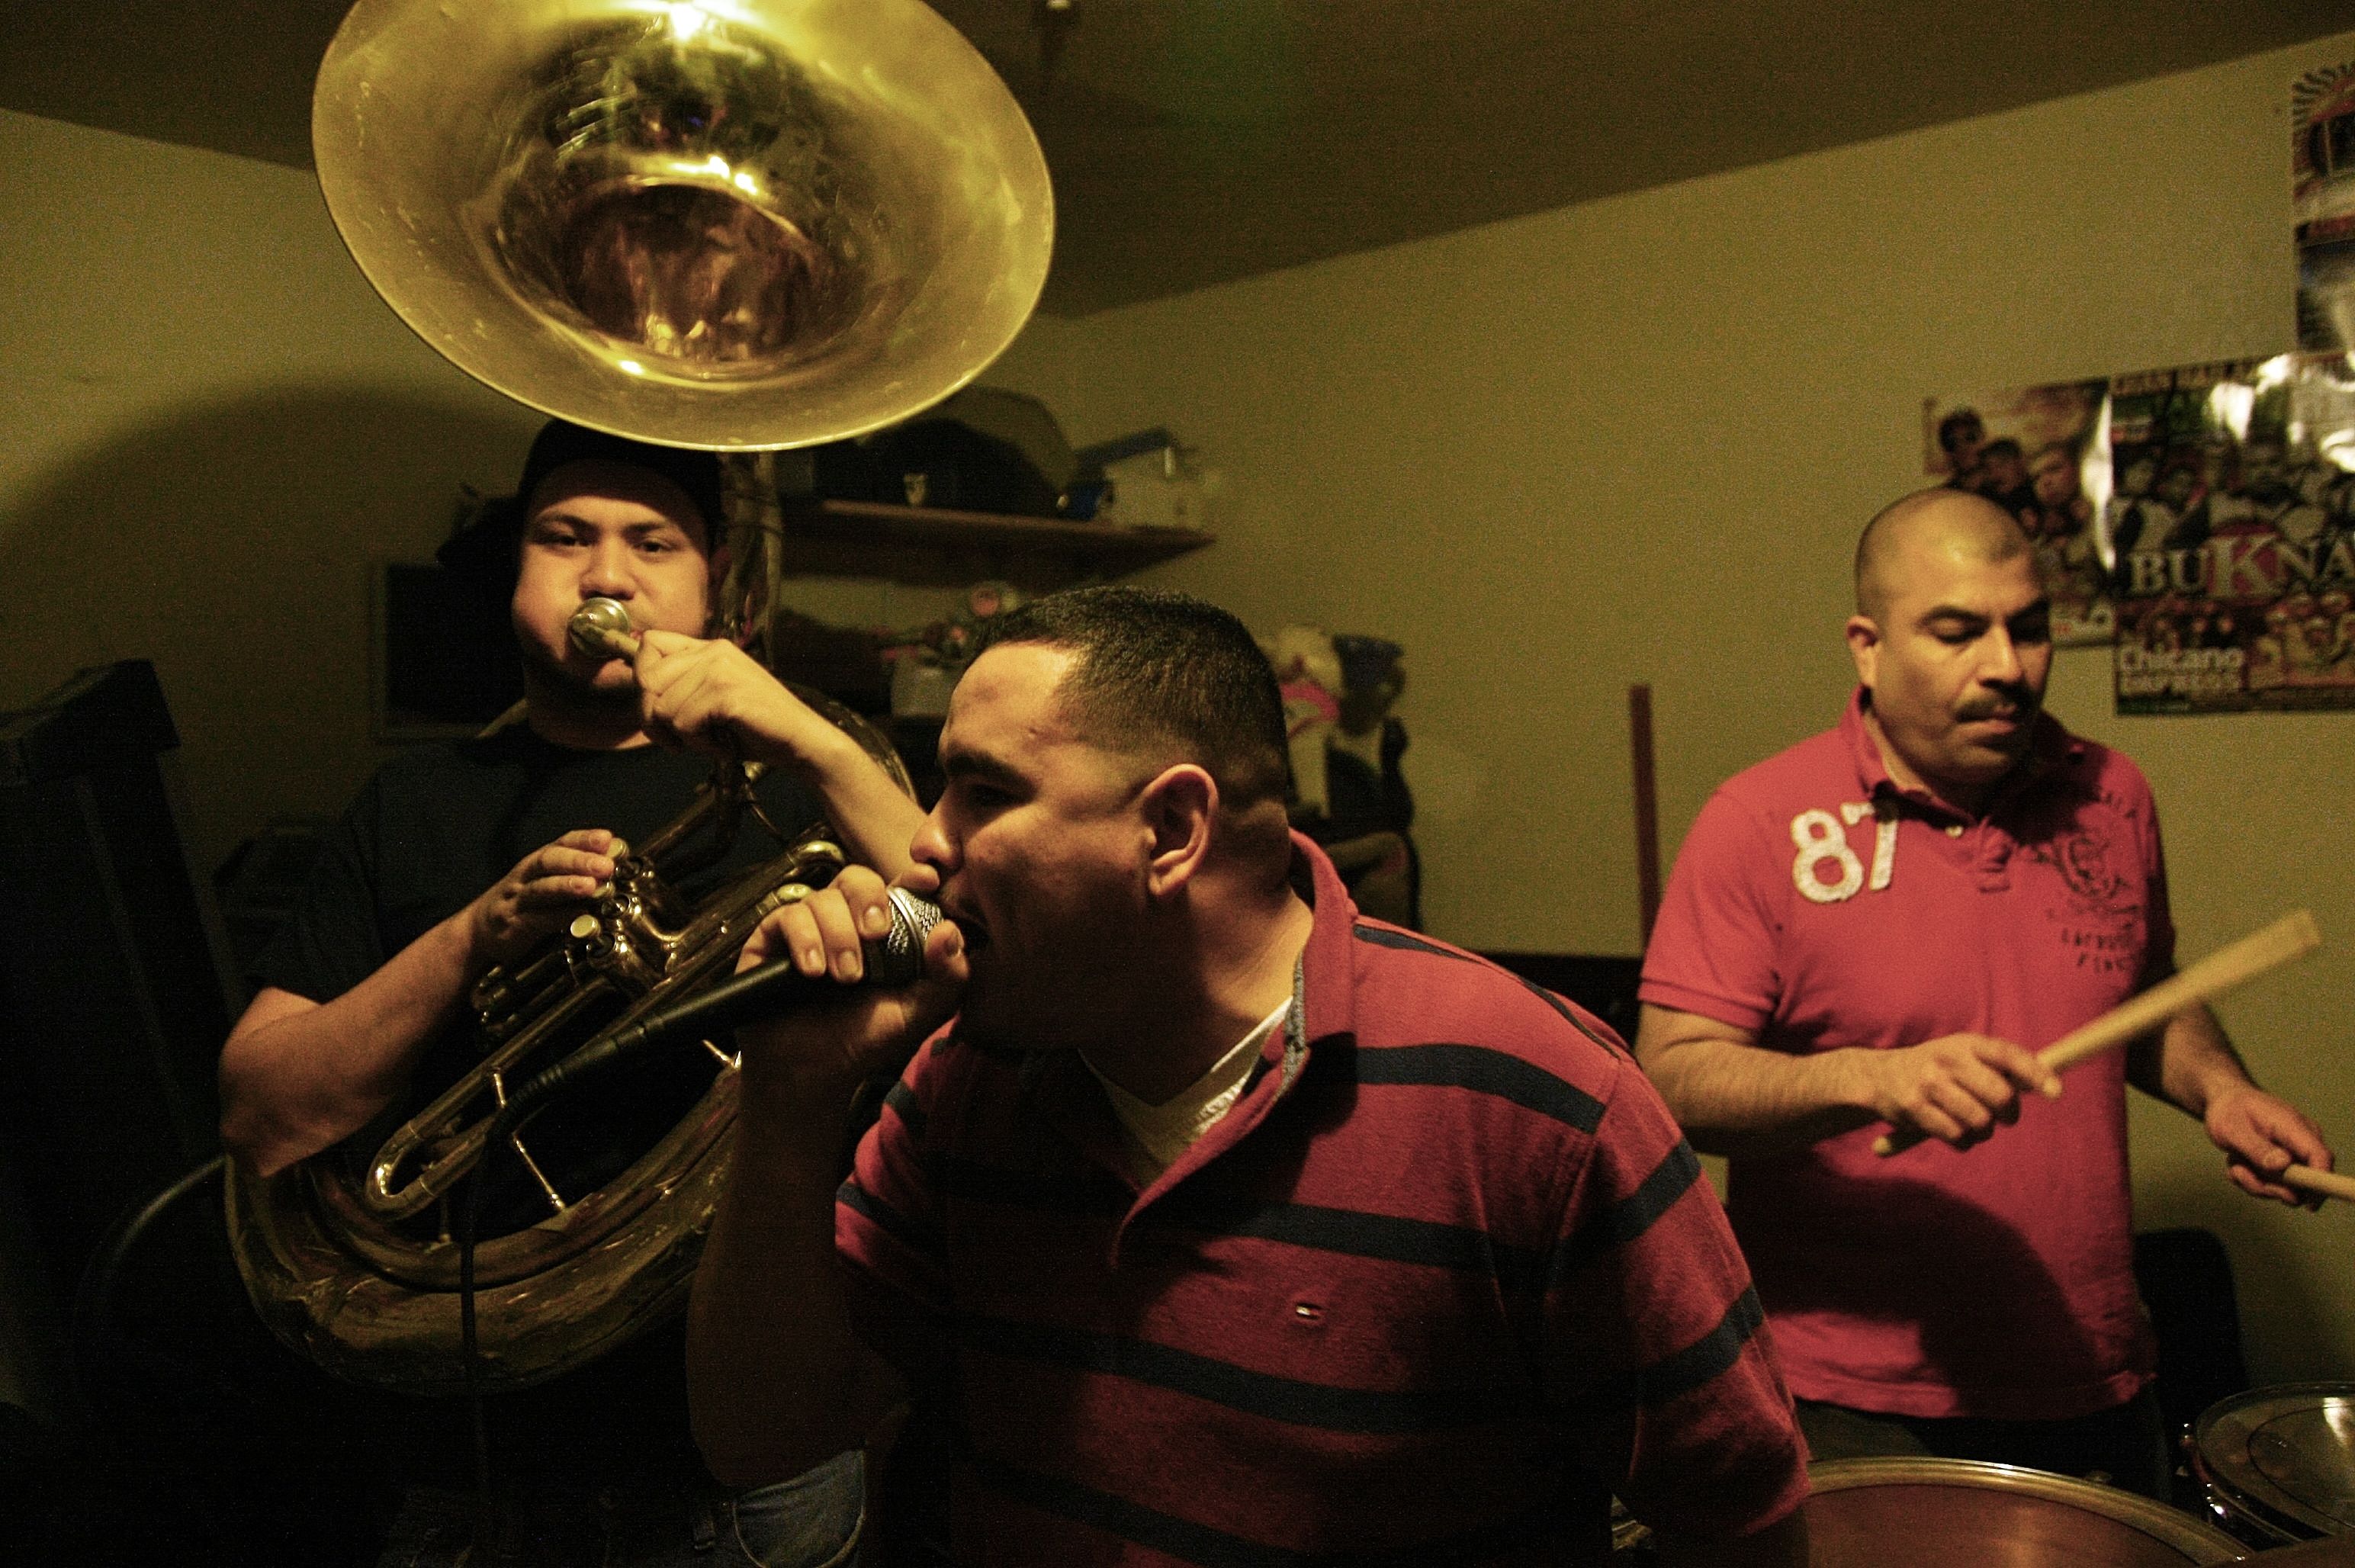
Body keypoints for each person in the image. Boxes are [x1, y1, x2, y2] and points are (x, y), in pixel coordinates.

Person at [685, 585, 1811, 1566]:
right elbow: (763, 1438)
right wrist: (789, 1101)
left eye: (985, 792)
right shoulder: (967, 1081)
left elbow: (1737, 1516)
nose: (927, 844)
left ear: (1173, 829)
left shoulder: (1530, 1099)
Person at [218, 419, 927, 1567]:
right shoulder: (414, 805)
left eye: (653, 543)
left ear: (717, 588)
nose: (606, 575)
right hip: (475, 1459)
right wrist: (471, 939)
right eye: (564, 537)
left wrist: (820, 744)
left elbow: (975, 948)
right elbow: (260, 1114)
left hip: (760, 1464)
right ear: (515, 572)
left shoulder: (805, 782)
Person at [1632, 487, 2334, 1495]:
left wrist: (2222, 1090)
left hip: (2096, 1372)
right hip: (1848, 1401)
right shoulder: (1759, 820)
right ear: (1868, 648)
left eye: (2030, 629)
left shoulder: (2110, 794)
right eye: (1958, 633)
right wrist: (1872, 1079)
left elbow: (2138, 987)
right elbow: (1672, 1081)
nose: (2008, 666)